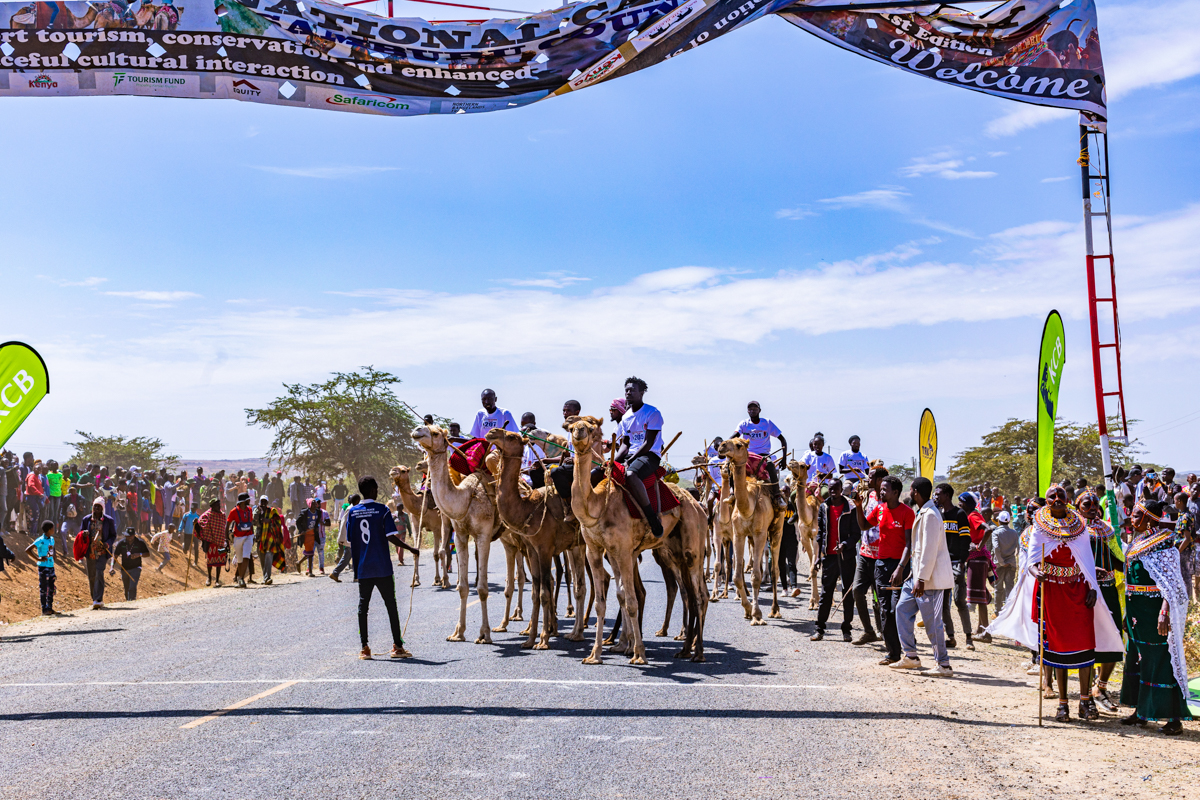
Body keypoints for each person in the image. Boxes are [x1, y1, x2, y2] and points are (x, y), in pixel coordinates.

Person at [988, 485, 1123, 723]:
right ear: (1047, 501)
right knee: (1058, 650)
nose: (1058, 499)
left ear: (1068, 499)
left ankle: (1084, 701)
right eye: (1053, 497)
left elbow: (1087, 561)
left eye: (1062, 496)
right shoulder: (1040, 527)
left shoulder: (1079, 525)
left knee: (1085, 647)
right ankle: (1063, 705)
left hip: (1079, 591)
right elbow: (1030, 560)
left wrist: (1092, 587)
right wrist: (1035, 571)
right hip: (1052, 591)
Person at [1120, 500, 1193, 735]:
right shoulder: (1137, 542)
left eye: (1137, 515)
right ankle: (1141, 711)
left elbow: (1171, 584)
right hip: (1136, 612)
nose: (1132, 519)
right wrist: (1126, 612)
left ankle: (1173, 718)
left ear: (1150, 518)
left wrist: (1165, 611)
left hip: (1155, 612)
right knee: (1137, 658)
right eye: (1132, 515)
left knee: (1161, 660)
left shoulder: (1165, 543)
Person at [345, 476, 420, 660]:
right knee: (391, 606)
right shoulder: (383, 510)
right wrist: (410, 548)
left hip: (363, 568)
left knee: (363, 607)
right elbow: (391, 537)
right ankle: (397, 647)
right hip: (382, 567)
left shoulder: (352, 512)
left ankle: (364, 648)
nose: (377, 491)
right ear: (372, 490)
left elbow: (349, 538)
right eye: (376, 488)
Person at [891, 478, 953, 676]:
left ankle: (943, 665)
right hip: (916, 576)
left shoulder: (931, 515)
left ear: (916, 492)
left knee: (933, 623)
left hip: (929, 580)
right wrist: (913, 574)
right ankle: (910, 656)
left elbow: (929, 550)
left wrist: (922, 578)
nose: (909, 492)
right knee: (901, 609)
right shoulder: (924, 511)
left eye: (910, 489)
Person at [592, 377, 665, 537]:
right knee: (595, 474)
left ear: (642, 392)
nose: (629, 392)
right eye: (626, 390)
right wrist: (611, 462)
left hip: (649, 455)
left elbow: (648, 442)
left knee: (631, 474)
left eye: (632, 389)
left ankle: (652, 518)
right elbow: (625, 446)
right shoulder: (625, 418)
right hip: (631, 455)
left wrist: (630, 461)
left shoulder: (652, 413)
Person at [853, 475, 914, 665]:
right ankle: (892, 653)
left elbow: (909, 544)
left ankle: (909, 651)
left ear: (896, 492)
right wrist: (857, 507)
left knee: (898, 609)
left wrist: (900, 568)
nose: (881, 491)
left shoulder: (907, 513)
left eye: (885, 489)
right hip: (881, 565)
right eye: (881, 489)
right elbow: (863, 525)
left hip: (900, 567)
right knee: (885, 609)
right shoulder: (879, 509)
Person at [1076, 490, 1125, 713]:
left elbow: (1117, 560)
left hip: (1107, 588)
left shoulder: (1108, 530)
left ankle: (1101, 687)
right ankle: (1085, 694)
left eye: (1096, 504)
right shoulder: (1073, 529)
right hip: (1082, 589)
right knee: (1085, 639)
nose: (1093, 507)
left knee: (1113, 636)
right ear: (1078, 507)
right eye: (1088, 504)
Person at [812, 478, 859, 642]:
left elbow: (856, 533)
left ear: (841, 489)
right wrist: (818, 557)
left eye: (836, 489)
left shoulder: (851, 507)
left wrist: (845, 544)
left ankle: (847, 630)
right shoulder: (823, 507)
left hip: (847, 557)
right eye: (830, 489)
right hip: (829, 558)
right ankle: (819, 629)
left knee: (847, 593)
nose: (833, 492)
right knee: (826, 593)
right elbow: (820, 534)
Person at [850, 466, 887, 645]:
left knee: (879, 597)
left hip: (882, 556)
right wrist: (858, 506)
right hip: (865, 553)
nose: (867, 480)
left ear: (880, 481)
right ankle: (868, 631)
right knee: (857, 591)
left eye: (871, 477)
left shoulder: (890, 502)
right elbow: (864, 522)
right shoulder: (871, 496)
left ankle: (884, 632)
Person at [934, 484, 973, 650]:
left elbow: (965, 539)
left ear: (947, 495)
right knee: (943, 602)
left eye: (938, 494)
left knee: (959, 600)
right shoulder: (937, 514)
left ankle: (969, 637)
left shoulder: (959, 514)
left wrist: (963, 562)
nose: (935, 497)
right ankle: (950, 636)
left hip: (957, 563)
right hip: (942, 563)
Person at [730, 401, 787, 510]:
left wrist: (784, 459)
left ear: (759, 410)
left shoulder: (767, 423)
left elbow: (783, 440)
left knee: (770, 465)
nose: (752, 411)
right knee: (731, 468)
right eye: (750, 409)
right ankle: (732, 493)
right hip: (748, 456)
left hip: (763, 456)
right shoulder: (744, 424)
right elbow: (735, 435)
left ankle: (777, 495)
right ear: (747, 411)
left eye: (755, 409)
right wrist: (726, 444)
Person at [961, 492, 996, 640]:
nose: (959, 505)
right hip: (978, 558)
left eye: (961, 503)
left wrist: (978, 547)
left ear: (967, 504)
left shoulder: (973, 516)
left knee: (980, 596)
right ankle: (980, 629)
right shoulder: (972, 515)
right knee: (978, 593)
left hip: (978, 558)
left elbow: (988, 529)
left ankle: (985, 633)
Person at [81, 499, 117, 609]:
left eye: (98, 506)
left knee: (99, 573)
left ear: (103, 508)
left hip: (102, 552)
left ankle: (98, 599)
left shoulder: (108, 520)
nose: (96, 508)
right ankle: (94, 598)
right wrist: (84, 534)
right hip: (90, 552)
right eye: (95, 506)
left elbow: (113, 535)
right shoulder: (87, 519)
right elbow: (80, 533)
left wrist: (108, 544)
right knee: (92, 576)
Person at [25, 520, 57, 615]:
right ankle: (44, 609)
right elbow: (28, 550)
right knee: (44, 588)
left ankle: (50, 608)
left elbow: (52, 549)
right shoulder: (40, 540)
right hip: (43, 567)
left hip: (51, 566)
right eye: (53, 528)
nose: (54, 529)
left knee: (51, 587)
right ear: (49, 529)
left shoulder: (51, 539)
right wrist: (38, 558)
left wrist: (54, 555)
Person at [990, 510, 1020, 612]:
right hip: (1011, 563)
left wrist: (1001, 562)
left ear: (998, 520)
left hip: (999, 564)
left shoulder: (996, 533)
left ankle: (998, 611)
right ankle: (1009, 611)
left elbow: (996, 548)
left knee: (998, 589)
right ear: (1008, 521)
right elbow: (1018, 547)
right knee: (1010, 588)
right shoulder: (1014, 533)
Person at [110, 527, 149, 601]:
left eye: (130, 536)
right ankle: (129, 601)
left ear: (134, 535)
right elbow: (114, 556)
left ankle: (132, 600)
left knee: (132, 586)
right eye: (127, 535)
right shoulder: (121, 543)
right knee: (126, 587)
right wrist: (111, 567)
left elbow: (147, 554)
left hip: (136, 568)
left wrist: (139, 554)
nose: (129, 537)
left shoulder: (140, 542)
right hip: (124, 568)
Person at [254, 496, 287, 585]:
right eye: (262, 502)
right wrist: (258, 513)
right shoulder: (257, 511)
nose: (263, 504)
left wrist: (269, 521)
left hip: (270, 539)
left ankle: (267, 577)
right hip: (260, 539)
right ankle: (265, 577)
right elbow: (254, 522)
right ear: (260, 503)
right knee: (262, 558)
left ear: (267, 503)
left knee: (268, 556)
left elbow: (278, 522)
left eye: (265, 502)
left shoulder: (272, 511)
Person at [196, 498, 228, 587]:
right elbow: (201, 523)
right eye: (217, 505)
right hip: (211, 542)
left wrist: (226, 540)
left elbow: (223, 528)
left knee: (219, 561)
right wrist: (196, 524)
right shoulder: (207, 515)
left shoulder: (222, 515)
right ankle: (209, 578)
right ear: (212, 506)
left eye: (219, 504)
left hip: (220, 541)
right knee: (210, 560)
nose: (219, 506)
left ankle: (217, 580)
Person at [330, 493, 361, 582]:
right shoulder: (350, 509)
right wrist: (343, 538)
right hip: (350, 538)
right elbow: (344, 524)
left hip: (352, 538)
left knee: (354, 556)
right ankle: (335, 573)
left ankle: (356, 576)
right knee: (347, 557)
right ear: (356, 501)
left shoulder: (353, 509)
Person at [226, 492, 255, 589]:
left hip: (248, 536)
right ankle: (240, 579)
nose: (249, 501)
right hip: (238, 537)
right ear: (243, 501)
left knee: (246, 556)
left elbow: (250, 523)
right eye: (248, 499)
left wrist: (253, 535)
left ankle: (241, 579)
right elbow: (228, 525)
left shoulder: (250, 510)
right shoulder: (234, 511)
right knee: (240, 559)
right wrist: (227, 538)